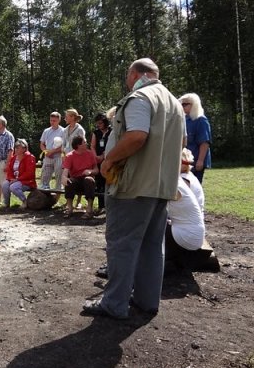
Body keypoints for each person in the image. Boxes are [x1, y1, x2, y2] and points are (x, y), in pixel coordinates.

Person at [82, 58, 184, 320]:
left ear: (136, 74)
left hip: (134, 185)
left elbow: (137, 135)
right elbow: (181, 142)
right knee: (152, 246)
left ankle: (114, 304)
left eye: (128, 75)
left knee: (122, 244)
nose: (127, 81)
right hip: (161, 186)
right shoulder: (174, 103)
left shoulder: (140, 97)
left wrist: (109, 160)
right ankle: (147, 301)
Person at [61, 136, 98, 219]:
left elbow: (96, 170)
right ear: (79, 145)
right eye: (84, 142)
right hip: (76, 179)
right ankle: (70, 208)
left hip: (87, 179)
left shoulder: (90, 154)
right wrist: (64, 178)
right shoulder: (70, 156)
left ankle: (89, 209)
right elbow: (65, 171)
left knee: (89, 180)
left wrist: (90, 171)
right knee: (69, 181)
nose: (87, 143)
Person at [179, 93, 211, 183]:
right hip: (185, 161)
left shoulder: (201, 120)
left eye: (185, 104)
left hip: (195, 161)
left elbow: (204, 142)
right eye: (181, 104)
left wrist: (200, 161)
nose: (182, 106)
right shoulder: (184, 119)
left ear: (194, 105)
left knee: (194, 185)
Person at [1, 139, 37, 208]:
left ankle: (25, 201)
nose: (16, 149)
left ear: (24, 149)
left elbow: (29, 173)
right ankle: (6, 203)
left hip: (27, 181)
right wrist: (11, 178)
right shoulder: (14, 157)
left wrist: (17, 179)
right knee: (5, 185)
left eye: (18, 148)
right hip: (14, 180)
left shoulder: (30, 157)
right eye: (15, 147)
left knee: (13, 187)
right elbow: (10, 170)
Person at [90, 112, 112, 215]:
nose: (98, 125)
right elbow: (92, 146)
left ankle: (109, 206)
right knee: (99, 183)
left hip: (109, 159)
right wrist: (95, 157)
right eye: (97, 123)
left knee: (109, 182)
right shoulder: (96, 132)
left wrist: (103, 156)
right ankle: (101, 206)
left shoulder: (111, 131)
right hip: (98, 160)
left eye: (100, 123)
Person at [39, 112, 66, 190]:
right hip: (48, 156)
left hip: (59, 156)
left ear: (59, 120)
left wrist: (52, 151)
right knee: (44, 177)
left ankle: (57, 194)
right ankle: (45, 194)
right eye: (51, 120)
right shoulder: (46, 131)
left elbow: (64, 145)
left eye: (54, 121)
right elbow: (42, 144)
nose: (52, 122)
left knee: (59, 177)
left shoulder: (63, 131)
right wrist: (46, 152)